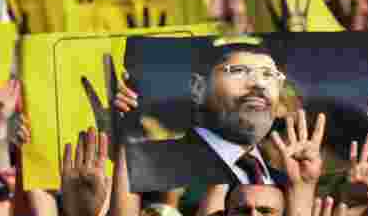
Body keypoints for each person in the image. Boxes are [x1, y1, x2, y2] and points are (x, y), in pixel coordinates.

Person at [115, 40, 291, 191]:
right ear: (199, 88)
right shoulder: (153, 164)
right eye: (238, 70)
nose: (259, 84)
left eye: (268, 74)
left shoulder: (288, 182)